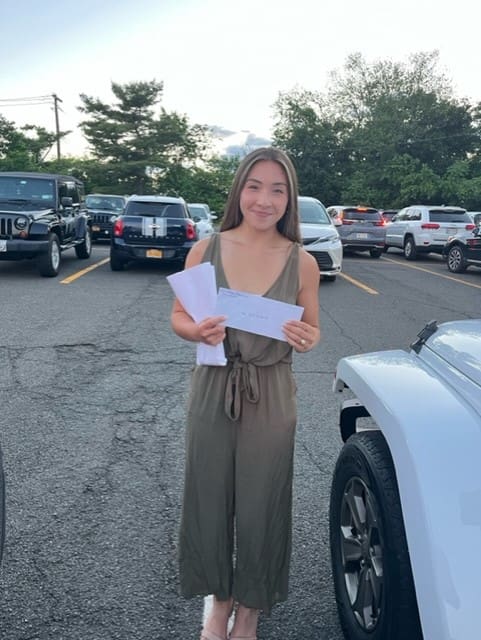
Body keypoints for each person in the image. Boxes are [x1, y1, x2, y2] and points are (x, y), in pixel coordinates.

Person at [170, 147, 321, 640]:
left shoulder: (302, 262)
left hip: (272, 388)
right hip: (214, 384)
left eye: (278, 189)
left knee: (264, 499)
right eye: (255, 186)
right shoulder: (206, 250)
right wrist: (195, 332)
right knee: (209, 494)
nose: (265, 199)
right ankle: (220, 601)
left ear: (289, 199)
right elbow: (179, 315)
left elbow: (312, 328)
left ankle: (251, 609)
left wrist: (307, 337)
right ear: (239, 190)